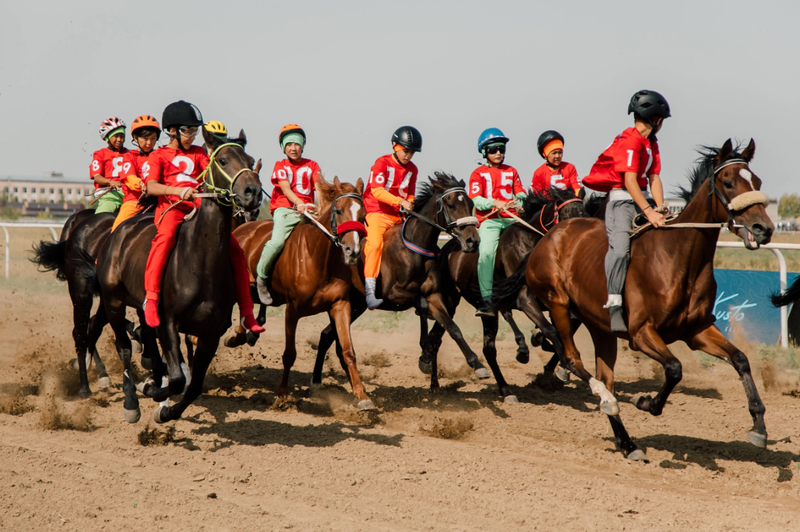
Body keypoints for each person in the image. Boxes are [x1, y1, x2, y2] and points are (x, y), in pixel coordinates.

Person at [141, 100, 265, 334]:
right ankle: (151, 298)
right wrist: (177, 191)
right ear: (173, 131)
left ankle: (247, 313)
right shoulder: (159, 155)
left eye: (195, 131)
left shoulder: (199, 153)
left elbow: (214, 175)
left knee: (235, 249)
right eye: (188, 131)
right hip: (172, 209)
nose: (192, 136)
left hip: (198, 209)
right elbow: (152, 187)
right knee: (165, 239)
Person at [581, 90, 671, 333]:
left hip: (644, 200)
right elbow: (630, 181)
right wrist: (649, 212)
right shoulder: (630, 140)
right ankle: (614, 304)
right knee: (620, 251)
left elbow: (654, 177)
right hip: (621, 203)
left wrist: (660, 208)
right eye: (662, 120)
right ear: (656, 119)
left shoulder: (652, 142)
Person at [255, 124, 322, 304]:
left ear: (303, 146)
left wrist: (320, 205)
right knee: (276, 242)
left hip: (308, 210)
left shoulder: (312, 165)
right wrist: (299, 203)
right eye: (289, 144)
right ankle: (261, 277)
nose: (293, 148)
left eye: (297, 144)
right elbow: (285, 188)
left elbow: (320, 188)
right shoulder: (280, 165)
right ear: (284, 147)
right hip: (285, 209)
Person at [468, 128, 527, 317]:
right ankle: (486, 300)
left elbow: (520, 192)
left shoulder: (512, 171)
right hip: (490, 221)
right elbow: (476, 199)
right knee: (486, 252)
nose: (498, 153)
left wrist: (519, 203)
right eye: (493, 149)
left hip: (512, 220)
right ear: (485, 152)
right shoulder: (477, 174)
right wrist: (495, 203)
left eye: (501, 149)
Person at [362, 126, 421, 309]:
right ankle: (370, 292)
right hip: (377, 213)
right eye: (406, 151)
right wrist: (400, 202)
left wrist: (409, 202)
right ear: (395, 146)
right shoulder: (382, 163)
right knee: (375, 244)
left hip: (399, 217)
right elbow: (377, 191)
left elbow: (410, 194)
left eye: (412, 152)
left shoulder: (413, 169)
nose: (408, 155)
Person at [111, 115, 160, 232]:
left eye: (153, 138)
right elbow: (130, 178)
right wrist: (143, 185)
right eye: (145, 139)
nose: (149, 143)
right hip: (135, 202)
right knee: (116, 229)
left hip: (159, 200)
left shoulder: (160, 155)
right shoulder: (129, 156)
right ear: (135, 138)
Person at [90, 117, 129, 214]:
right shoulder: (100, 154)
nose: (119, 140)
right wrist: (111, 182)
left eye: (122, 136)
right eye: (116, 136)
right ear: (107, 137)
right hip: (110, 195)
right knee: (101, 219)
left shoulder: (130, 154)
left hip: (128, 195)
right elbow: (97, 177)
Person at [531, 130, 581, 194]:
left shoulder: (570, 168)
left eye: (560, 152)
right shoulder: (539, 173)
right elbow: (535, 196)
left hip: (568, 202)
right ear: (545, 154)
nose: (557, 156)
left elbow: (577, 188)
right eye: (554, 153)